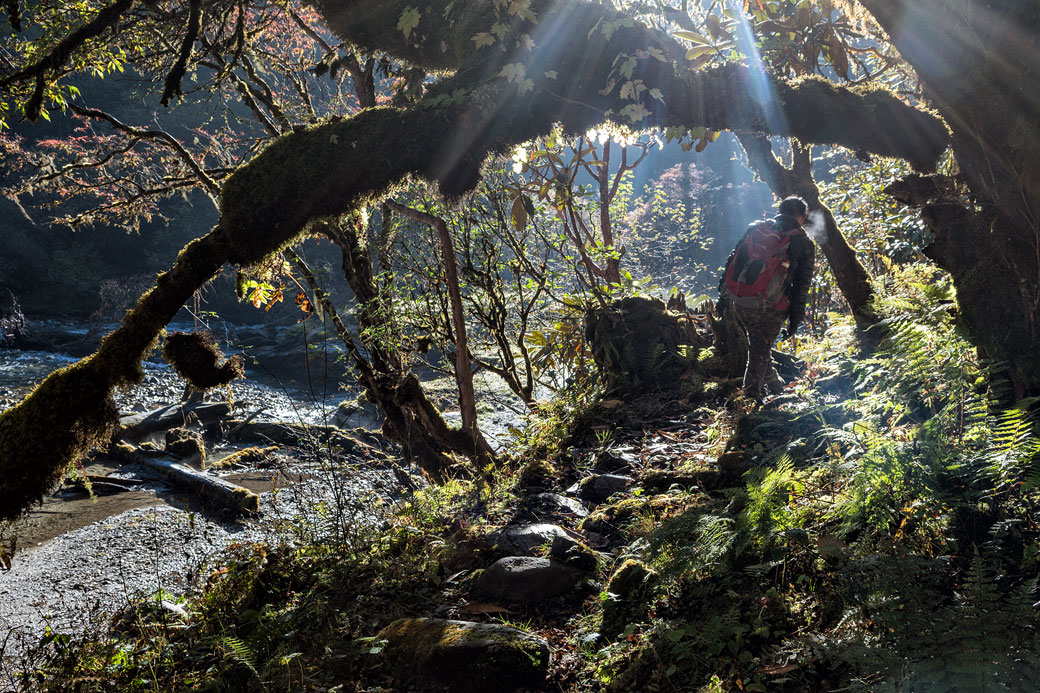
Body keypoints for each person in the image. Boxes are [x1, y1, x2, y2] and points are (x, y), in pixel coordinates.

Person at [720, 196, 816, 400]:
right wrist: (795, 319)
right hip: (770, 306)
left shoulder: (755, 229)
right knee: (759, 349)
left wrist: (724, 295)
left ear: (779, 210)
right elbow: (802, 285)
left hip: (740, 299)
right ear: (802, 216)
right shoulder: (804, 243)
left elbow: (732, 259)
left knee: (759, 343)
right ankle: (749, 400)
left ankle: (774, 385)